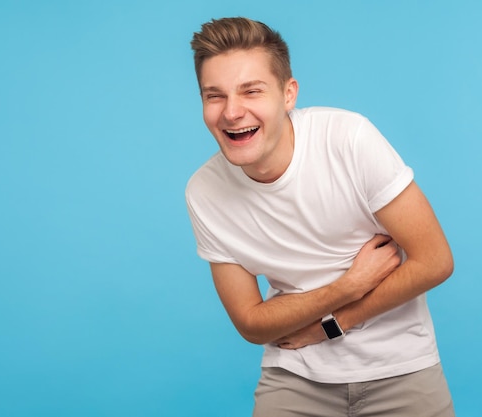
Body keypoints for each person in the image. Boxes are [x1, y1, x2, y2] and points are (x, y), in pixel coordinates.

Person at [186, 17, 455, 417]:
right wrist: (348, 286)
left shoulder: (348, 139)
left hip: (402, 369)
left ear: (288, 94)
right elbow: (251, 323)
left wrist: (333, 323)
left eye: (251, 91)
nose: (232, 112)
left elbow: (435, 261)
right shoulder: (204, 191)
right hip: (294, 376)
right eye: (215, 96)